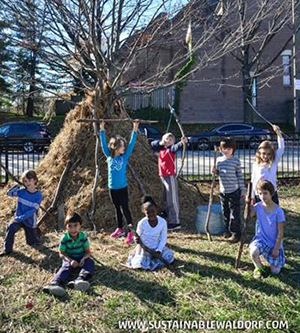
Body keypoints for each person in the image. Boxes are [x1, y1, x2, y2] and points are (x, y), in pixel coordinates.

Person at [100, 120, 139, 244]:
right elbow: (103, 145)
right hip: (112, 188)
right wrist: (102, 129)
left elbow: (132, 144)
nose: (124, 147)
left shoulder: (124, 157)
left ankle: (131, 232)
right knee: (117, 208)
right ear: (115, 147)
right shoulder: (109, 156)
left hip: (122, 188)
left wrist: (135, 129)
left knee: (125, 209)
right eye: (122, 145)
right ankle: (120, 229)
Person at [43, 212, 95, 297]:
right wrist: (70, 261)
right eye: (70, 226)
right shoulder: (65, 238)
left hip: (80, 256)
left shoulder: (83, 237)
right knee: (66, 267)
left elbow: (88, 251)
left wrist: (83, 259)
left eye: (75, 225)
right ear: (66, 227)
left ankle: (79, 280)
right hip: (69, 257)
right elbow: (61, 253)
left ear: (80, 226)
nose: (73, 229)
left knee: (90, 262)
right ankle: (54, 284)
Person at [249, 180, 286, 279]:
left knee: (275, 272)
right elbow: (248, 216)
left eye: (265, 193)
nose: (262, 196)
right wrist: (249, 204)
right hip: (261, 239)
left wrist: (276, 249)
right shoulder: (258, 207)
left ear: (271, 193)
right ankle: (259, 268)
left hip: (274, 243)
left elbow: (281, 233)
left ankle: (269, 259)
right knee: (253, 252)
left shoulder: (278, 211)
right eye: (260, 193)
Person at [0, 170, 42, 256]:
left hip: (29, 221)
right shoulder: (21, 192)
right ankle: (7, 250)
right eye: (25, 181)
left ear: (35, 180)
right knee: (11, 228)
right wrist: (17, 186)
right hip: (18, 220)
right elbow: (9, 193)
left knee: (32, 243)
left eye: (29, 180)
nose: (27, 183)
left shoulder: (38, 195)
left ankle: (36, 234)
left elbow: (32, 211)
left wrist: (20, 218)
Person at [212, 137, 246, 243]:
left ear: (233, 149)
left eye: (229, 149)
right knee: (225, 212)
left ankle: (236, 233)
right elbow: (217, 173)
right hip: (223, 191)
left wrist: (243, 190)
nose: (226, 151)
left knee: (234, 213)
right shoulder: (218, 160)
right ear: (220, 149)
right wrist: (214, 171)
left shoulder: (235, 161)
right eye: (224, 149)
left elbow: (240, 176)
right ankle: (227, 231)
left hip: (234, 191)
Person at [151, 132, 187, 230]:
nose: (169, 141)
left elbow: (176, 147)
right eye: (167, 139)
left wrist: (181, 142)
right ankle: (167, 215)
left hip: (170, 176)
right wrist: (161, 143)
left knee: (172, 199)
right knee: (165, 198)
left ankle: (175, 222)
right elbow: (152, 144)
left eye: (171, 140)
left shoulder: (171, 149)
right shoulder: (161, 148)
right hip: (162, 176)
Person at [127, 196, 174, 270]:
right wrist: (136, 239)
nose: (151, 214)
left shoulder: (162, 222)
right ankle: (149, 262)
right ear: (144, 212)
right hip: (144, 248)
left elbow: (163, 238)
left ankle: (151, 263)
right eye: (148, 212)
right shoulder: (142, 223)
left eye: (153, 211)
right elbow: (137, 236)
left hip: (157, 247)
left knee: (170, 256)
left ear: (157, 210)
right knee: (140, 263)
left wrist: (159, 250)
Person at [251, 125, 284, 204]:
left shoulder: (274, 162)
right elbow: (253, 180)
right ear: (259, 153)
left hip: (272, 194)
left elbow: (281, 148)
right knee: (261, 214)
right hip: (259, 194)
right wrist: (252, 196)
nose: (266, 156)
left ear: (272, 154)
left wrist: (278, 132)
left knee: (273, 214)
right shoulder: (256, 164)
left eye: (268, 154)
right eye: (263, 153)